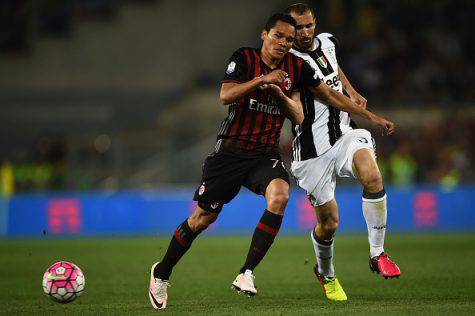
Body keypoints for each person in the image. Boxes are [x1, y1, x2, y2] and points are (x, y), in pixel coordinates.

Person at [149, 12, 394, 310]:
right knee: (203, 219)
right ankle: (161, 272)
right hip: (230, 152)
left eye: (288, 39)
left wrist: (280, 94)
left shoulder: (296, 66)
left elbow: (302, 114)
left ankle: (246, 272)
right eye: (278, 36)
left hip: (264, 154)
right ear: (264, 35)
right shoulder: (244, 58)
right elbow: (226, 95)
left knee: (280, 195)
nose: (283, 43)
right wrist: (262, 80)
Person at [285, 3, 401, 302]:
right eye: (299, 27)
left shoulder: (328, 41)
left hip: (345, 135)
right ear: (289, 30)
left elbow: (334, 67)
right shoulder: (290, 63)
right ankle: (326, 272)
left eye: (309, 25)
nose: (306, 32)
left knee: (372, 176)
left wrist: (351, 89)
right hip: (312, 153)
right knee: (329, 224)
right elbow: (329, 96)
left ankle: (378, 253)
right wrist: (373, 117)